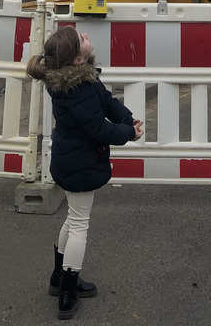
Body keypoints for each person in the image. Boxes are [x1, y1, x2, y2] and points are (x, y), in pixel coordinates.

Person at [26, 25, 144, 320]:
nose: (87, 36)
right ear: (77, 59)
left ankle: (59, 277)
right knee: (80, 224)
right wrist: (129, 133)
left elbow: (107, 101)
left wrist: (126, 118)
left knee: (73, 217)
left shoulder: (78, 78)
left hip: (70, 159)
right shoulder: (79, 88)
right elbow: (98, 129)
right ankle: (67, 294)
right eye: (82, 39)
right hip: (80, 163)